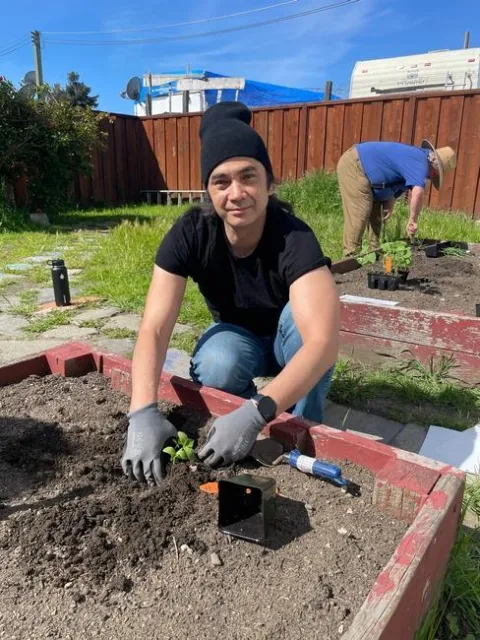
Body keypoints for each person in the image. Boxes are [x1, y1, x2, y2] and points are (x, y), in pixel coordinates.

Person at [121, 101, 339, 485]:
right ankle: (240, 421)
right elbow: (154, 327)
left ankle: (301, 429)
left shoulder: (295, 237)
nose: (236, 193)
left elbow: (323, 342)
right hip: (241, 339)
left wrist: (256, 412)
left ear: (269, 184)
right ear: (208, 190)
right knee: (217, 362)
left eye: (248, 177)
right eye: (222, 181)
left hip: (292, 338)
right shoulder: (191, 234)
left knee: (305, 332)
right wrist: (141, 412)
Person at [337, 140, 457, 257]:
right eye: (435, 174)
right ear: (433, 162)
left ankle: (374, 254)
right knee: (360, 213)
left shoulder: (415, 163)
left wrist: (389, 203)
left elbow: (396, 181)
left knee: (378, 217)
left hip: (371, 179)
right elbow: (418, 191)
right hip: (356, 166)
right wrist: (413, 220)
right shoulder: (420, 162)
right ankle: (350, 257)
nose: (432, 177)